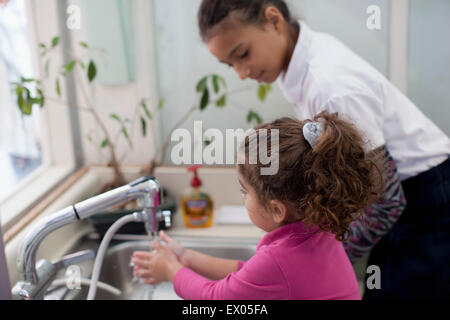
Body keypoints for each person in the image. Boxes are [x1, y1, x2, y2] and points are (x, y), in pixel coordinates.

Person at [195, 0, 450, 300]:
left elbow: (387, 202)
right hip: (406, 201)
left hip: (428, 204)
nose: (240, 72)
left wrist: (317, 264)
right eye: (230, 64)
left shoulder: (330, 84)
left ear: (273, 19)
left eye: (242, 54)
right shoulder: (301, 65)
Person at [132, 111, 383, 300]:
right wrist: (187, 257)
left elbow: (215, 298)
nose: (242, 197)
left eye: (244, 190)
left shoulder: (279, 260)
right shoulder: (320, 228)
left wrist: (170, 270)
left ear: (276, 210)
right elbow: (247, 277)